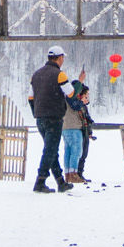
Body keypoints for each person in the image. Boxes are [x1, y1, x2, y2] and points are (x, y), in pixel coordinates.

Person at [29, 49, 71, 193]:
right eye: (62, 58)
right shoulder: (59, 75)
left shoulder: (36, 75)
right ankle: (40, 181)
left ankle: (60, 182)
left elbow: (30, 98)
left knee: (51, 149)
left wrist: (37, 112)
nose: (63, 60)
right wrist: (80, 82)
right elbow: (71, 93)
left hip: (40, 118)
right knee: (50, 150)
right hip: (54, 118)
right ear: (59, 58)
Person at [62, 77, 94, 183]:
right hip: (74, 127)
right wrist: (82, 101)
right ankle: (73, 174)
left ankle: (68, 174)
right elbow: (77, 107)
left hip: (66, 127)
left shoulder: (67, 97)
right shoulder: (72, 98)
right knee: (76, 152)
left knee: (68, 151)